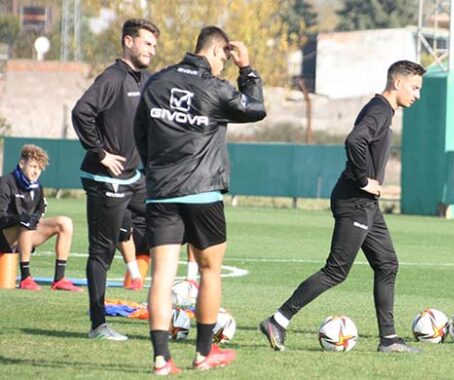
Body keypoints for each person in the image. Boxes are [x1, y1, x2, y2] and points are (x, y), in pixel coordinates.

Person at [259, 60, 425, 354]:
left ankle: (388, 340)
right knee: (336, 271)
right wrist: (363, 180)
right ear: (396, 83)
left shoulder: (382, 109)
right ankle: (278, 320)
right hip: (356, 201)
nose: (417, 94)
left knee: (387, 264)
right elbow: (354, 141)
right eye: (414, 87)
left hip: (366, 205)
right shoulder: (379, 109)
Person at [134, 26, 266, 375]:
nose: (226, 64)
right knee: (210, 271)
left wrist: (154, 171)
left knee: (162, 276)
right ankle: (203, 354)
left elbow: (140, 132)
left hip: (161, 193)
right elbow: (255, 109)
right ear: (219, 51)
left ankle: (161, 360)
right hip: (203, 193)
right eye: (226, 57)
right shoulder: (216, 87)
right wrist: (247, 69)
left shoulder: (157, 82)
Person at [71, 18, 159, 341]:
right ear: (128, 41)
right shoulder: (112, 78)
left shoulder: (144, 79)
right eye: (147, 43)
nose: (152, 49)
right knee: (101, 252)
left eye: (154, 45)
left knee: (168, 218)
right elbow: (81, 112)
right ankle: (98, 325)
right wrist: (100, 152)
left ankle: (170, 296)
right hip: (104, 179)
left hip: (134, 179)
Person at [0, 144, 82, 292]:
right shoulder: (5, 182)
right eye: (33, 166)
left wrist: (32, 219)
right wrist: (20, 219)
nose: (36, 171)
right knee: (25, 221)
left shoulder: (37, 187)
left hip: (26, 235)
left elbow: (39, 210)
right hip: (4, 237)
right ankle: (26, 278)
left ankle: (59, 279)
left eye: (39, 168)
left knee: (65, 223)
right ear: (22, 163)